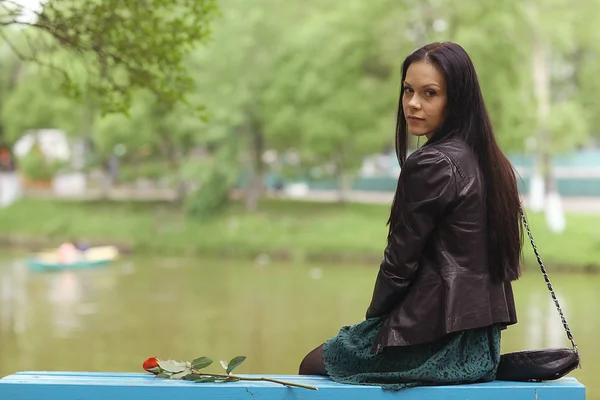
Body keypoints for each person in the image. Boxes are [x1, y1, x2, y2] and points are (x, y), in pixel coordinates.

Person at [298, 42, 523, 389]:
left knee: (312, 365)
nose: (413, 103)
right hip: (480, 345)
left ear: (456, 99)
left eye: (429, 93)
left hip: (436, 341)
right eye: (408, 90)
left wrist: (371, 324)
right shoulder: (492, 161)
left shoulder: (432, 162)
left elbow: (399, 264)